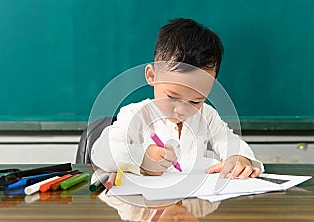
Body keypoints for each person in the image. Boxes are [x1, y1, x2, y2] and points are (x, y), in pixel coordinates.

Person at [91, 18, 263, 179]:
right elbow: (100, 152)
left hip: (193, 206)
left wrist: (240, 158)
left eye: (195, 101)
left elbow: (230, 142)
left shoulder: (208, 116)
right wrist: (140, 158)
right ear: (152, 76)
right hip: (144, 207)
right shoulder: (135, 114)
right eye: (172, 97)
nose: (181, 110)